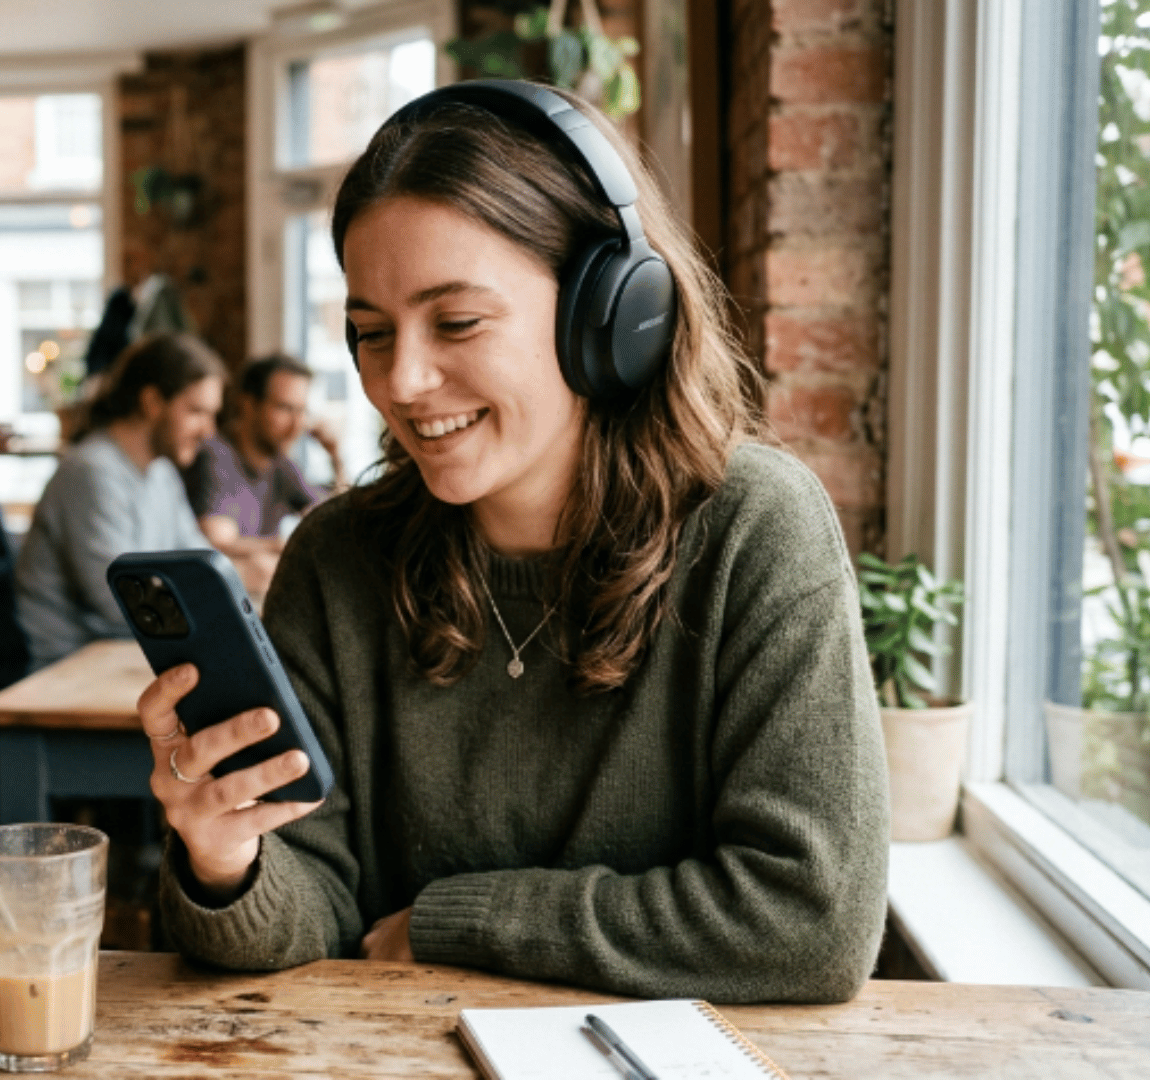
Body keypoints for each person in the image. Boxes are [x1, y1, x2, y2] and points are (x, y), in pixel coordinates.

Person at [140, 82, 888, 1004]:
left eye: (457, 322)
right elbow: (315, 916)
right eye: (372, 333)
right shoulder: (339, 560)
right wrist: (227, 860)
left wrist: (454, 924)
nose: (404, 381)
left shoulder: (756, 531)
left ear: (610, 312)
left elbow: (812, 922)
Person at [14, 333, 226, 672]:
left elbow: (199, 564)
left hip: (120, 659)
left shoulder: (162, 473)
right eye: (196, 411)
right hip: (62, 676)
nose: (208, 432)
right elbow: (123, 603)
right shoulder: (91, 471)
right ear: (153, 401)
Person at [182, 354, 342, 557]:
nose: (297, 425)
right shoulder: (214, 456)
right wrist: (284, 546)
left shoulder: (281, 465)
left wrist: (335, 457)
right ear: (248, 404)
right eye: (284, 408)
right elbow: (216, 544)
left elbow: (333, 518)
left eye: (302, 411)